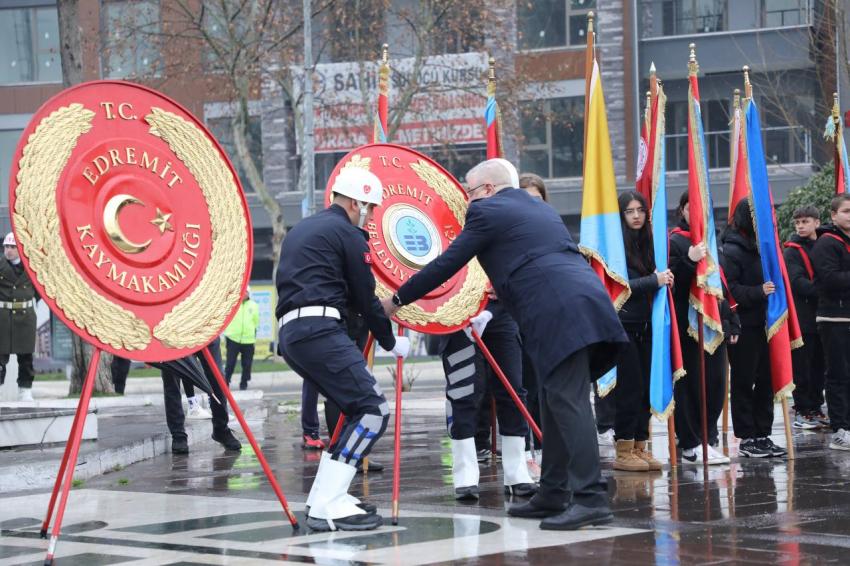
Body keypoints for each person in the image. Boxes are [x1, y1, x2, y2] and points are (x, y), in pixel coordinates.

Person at [383, 159, 627, 531]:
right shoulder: (537, 208)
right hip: (580, 304)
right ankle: (553, 492)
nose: (466, 199)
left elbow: (448, 263)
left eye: (469, 191)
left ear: (488, 189)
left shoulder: (488, 211)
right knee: (553, 400)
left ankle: (590, 498)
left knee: (568, 402)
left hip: (557, 310)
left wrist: (397, 300)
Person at [276, 166, 410, 532]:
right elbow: (365, 298)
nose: (372, 216)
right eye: (371, 208)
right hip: (319, 329)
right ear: (356, 203)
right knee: (373, 410)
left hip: (294, 333)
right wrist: (390, 341)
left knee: (355, 411)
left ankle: (324, 495)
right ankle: (328, 504)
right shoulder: (348, 234)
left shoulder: (303, 229)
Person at [437, 303, 537, 500]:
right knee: (462, 393)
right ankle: (464, 474)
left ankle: (516, 472)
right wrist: (399, 301)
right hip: (457, 313)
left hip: (499, 311)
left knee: (513, 392)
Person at [669, 193, 736, 465]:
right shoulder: (675, 241)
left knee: (716, 386)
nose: (695, 212)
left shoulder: (712, 240)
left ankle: (708, 438)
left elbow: (721, 285)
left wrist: (732, 320)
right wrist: (689, 258)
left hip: (714, 324)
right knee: (690, 388)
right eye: (690, 207)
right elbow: (672, 285)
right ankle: (690, 443)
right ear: (682, 210)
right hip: (688, 326)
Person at [722, 199, 786, 458]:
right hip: (744, 325)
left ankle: (763, 434)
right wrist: (758, 292)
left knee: (766, 380)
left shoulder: (766, 248)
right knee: (744, 381)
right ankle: (747, 437)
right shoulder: (731, 249)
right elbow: (729, 289)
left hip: (766, 324)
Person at [611, 192, 669, 472]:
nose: (636, 216)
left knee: (646, 387)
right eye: (629, 211)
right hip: (624, 327)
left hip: (647, 326)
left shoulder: (649, 243)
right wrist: (654, 281)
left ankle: (639, 445)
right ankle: (623, 449)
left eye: (640, 210)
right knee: (630, 389)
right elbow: (619, 286)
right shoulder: (615, 246)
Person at [811, 194, 850, 451]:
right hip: (834, 318)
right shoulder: (826, 242)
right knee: (839, 375)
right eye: (846, 211)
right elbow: (829, 279)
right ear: (834, 215)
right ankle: (840, 430)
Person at [784, 205, 827, 429]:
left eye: (805, 221)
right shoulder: (792, 251)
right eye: (798, 222)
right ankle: (802, 410)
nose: (800, 226)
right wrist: (828, 290)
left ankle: (816, 407)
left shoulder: (825, 244)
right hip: (803, 318)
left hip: (824, 315)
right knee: (803, 366)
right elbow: (797, 282)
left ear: (817, 223)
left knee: (820, 366)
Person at [161, 338, 241, 454]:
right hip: (171, 334)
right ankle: (178, 435)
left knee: (217, 378)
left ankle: (221, 429)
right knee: (171, 379)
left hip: (204, 332)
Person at [0, 232, 37, 401]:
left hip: (25, 317)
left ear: (20, 248)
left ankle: (25, 390)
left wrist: (28, 300)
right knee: (0, 357)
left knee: (26, 357)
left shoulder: (32, 266)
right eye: (6, 247)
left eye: (12, 247)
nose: (8, 250)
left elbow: (40, 289)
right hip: (3, 317)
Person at [224, 287, 260, 391]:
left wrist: (253, 332)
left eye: (246, 292)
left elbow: (256, 321)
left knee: (247, 364)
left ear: (249, 293)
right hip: (233, 338)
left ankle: (244, 384)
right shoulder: (233, 304)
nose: (244, 293)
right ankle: (225, 384)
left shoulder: (254, 305)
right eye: (243, 291)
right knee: (230, 364)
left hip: (248, 340)